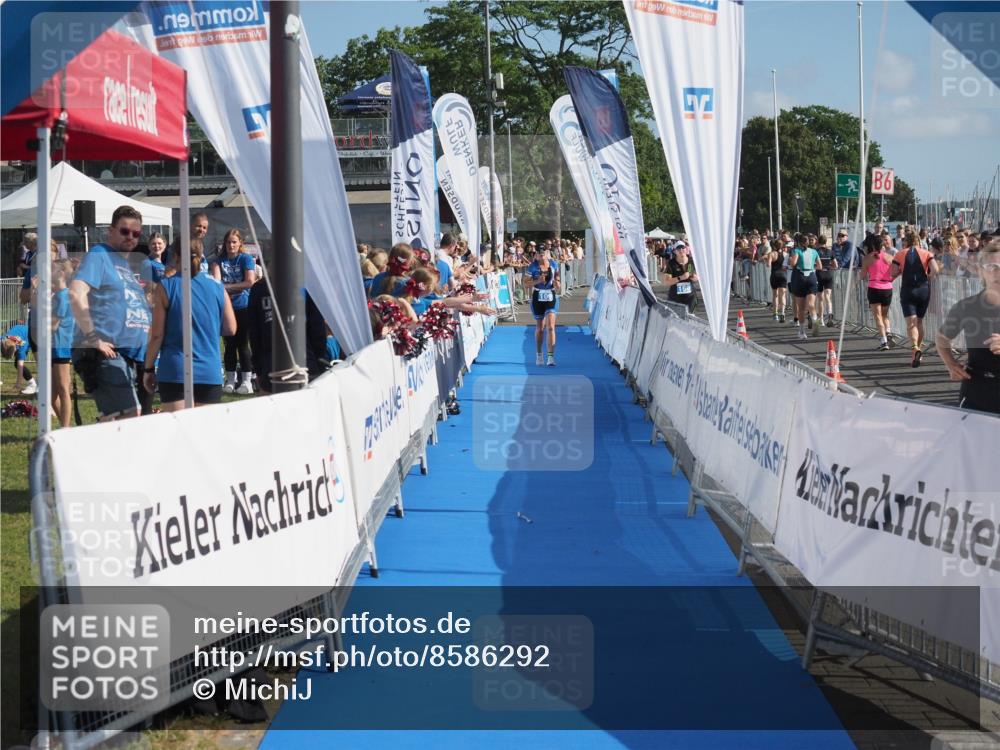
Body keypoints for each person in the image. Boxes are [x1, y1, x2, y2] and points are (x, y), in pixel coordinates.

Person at [68, 205, 152, 421]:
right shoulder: (100, 255)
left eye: (136, 234)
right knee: (128, 416)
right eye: (125, 231)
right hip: (104, 353)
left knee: (119, 419)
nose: (131, 237)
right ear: (111, 231)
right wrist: (93, 338)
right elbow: (76, 293)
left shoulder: (122, 264)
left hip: (129, 356)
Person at [143, 239, 235, 410]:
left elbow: (156, 335)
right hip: (209, 370)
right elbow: (230, 328)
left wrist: (148, 369)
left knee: (179, 434)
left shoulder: (166, 286)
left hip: (175, 370)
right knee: (204, 435)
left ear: (175, 256)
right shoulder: (217, 286)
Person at [935, 241, 1000, 415]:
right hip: (976, 394)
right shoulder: (966, 307)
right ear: (981, 270)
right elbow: (941, 338)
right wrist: (951, 364)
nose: (997, 273)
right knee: (971, 443)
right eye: (992, 266)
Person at [211, 229, 257, 394]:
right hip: (226, 307)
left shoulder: (245, 259)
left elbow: (249, 281)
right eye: (228, 242)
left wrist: (228, 287)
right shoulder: (218, 261)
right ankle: (230, 380)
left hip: (243, 306)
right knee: (229, 345)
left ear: (240, 244)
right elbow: (217, 283)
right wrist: (227, 289)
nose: (231, 245)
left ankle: (246, 381)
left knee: (243, 344)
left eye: (234, 242)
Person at [891, 231, 940, 367]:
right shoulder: (927, 253)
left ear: (906, 241)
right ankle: (918, 353)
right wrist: (928, 276)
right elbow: (935, 269)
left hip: (908, 290)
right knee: (919, 322)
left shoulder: (900, 254)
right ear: (918, 241)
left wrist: (901, 271)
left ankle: (915, 349)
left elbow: (893, 272)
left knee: (911, 324)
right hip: (923, 289)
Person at [49, 259, 77, 427]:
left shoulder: (62, 296)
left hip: (61, 346)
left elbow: (52, 325)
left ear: (60, 274)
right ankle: (65, 427)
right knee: (51, 397)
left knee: (63, 389)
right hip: (55, 347)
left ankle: (66, 429)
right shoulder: (59, 295)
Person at [523, 246, 561, 366]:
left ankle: (550, 357)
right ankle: (539, 354)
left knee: (551, 327)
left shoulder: (554, 264)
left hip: (550, 296)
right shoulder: (532, 266)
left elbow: (558, 281)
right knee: (540, 328)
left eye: (543, 253)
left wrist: (557, 283)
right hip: (538, 297)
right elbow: (526, 284)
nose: (541, 255)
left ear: (547, 253)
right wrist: (537, 281)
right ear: (536, 255)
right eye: (539, 254)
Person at [861, 234, 895, 351]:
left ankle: (884, 341)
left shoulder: (867, 258)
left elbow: (862, 276)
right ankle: (888, 331)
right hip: (887, 288)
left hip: (874, 287)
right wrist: (890, 279)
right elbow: (896, 271)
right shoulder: (889, 257)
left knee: (878, 316)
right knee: (885, 315)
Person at [788, 233, 822, 339]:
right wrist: (811, 267)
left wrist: (793, 261)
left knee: (801, 308)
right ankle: (815, 322)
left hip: (800, 277)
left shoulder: (796, 251)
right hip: (811, 277)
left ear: (799, 242)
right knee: (811, 304)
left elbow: (793, 263)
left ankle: (802, 332)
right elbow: (820, 266)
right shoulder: (814, 251)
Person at [1, 323, 35, 394]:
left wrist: (18, 384)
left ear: (15, 349)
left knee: (17, 364)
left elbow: (20, 367)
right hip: (19, 329)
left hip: (31, 334)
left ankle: (33, 385)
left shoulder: (21, 347)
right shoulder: (3, 340)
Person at [664, 242, 698, 313]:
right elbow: (667, 281)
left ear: (686, 249)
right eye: (678, 248)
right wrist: (680, 278)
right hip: (675, 297)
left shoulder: (691, 261)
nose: (681, 250)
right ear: (675, 251)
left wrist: (695, 277)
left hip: (690, 296)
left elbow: (697, 276)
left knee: (689, 318)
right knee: (676, 319)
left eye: (683, 248)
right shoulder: (671, 263)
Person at [815, 235, 838, 327]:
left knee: (820, 298)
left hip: (819, 274)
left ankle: (821, 319)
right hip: (828, 274)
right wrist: (830, 267)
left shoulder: (816, 252)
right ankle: (830, 313)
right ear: (826, 242)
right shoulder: (831, 252)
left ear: (818, 242)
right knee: (828, 296)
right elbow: (836, 265)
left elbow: (814, 264)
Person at [766, 239, 788, 322]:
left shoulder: (771, 254)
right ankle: (782, 313)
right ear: (782, 246)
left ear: (774, 245)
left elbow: (768, 265)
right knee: (782, 295)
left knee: (775, 295)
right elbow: (787, 265)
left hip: (774, 275)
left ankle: (775, 314)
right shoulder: (785, 254)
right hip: (783, 275)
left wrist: (767, 261)